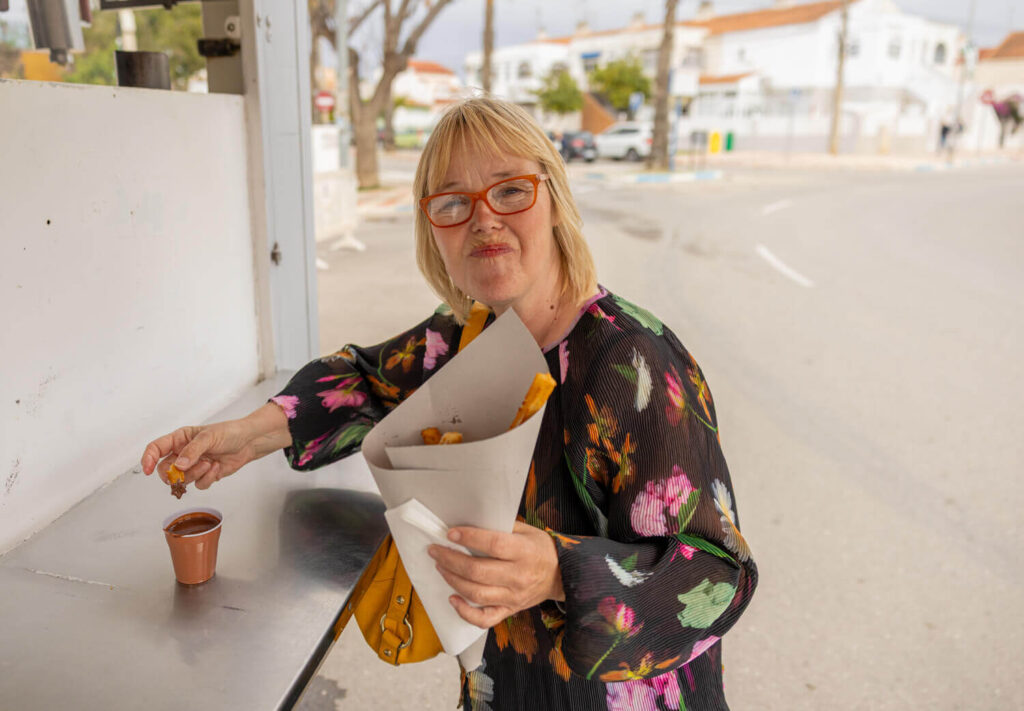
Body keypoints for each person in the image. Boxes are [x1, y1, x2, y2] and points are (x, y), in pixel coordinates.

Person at [140, 97, 758, 710]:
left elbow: (718, 577)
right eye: (453, 202)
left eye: (510, 190)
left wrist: (556, 572)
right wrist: (249, 434)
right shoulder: (469, 333)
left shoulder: (634, 365)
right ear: (431, 228)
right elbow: (364, 381)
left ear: (553, 199)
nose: (483, 220)